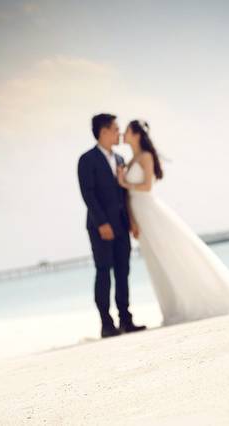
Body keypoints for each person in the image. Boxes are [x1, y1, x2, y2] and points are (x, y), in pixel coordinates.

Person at [116, 119, 229, 326]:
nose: (123, 134)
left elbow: (147, 186)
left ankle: (194, 300)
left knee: (171, 254)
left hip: (150, 211)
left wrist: (124, 182)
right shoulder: (129, 160)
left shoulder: (145, 156)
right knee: (155, 261)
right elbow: (127, 196)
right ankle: (173, 307)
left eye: (126, 131)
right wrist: (132, 220)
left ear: (136, 134)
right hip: (139, 214)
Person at [77, 113, 146, 338]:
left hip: (122, 225)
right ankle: (106, 324)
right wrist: (102, 223)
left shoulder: (119, 159)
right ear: (104, 131)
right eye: (116, 129)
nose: (119, 133)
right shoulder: (86, 160)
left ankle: (126, 319)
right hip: (100, 227)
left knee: (123, 272)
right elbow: (88, 194)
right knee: (104, 272)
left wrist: (132, 221)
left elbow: (124, 195)